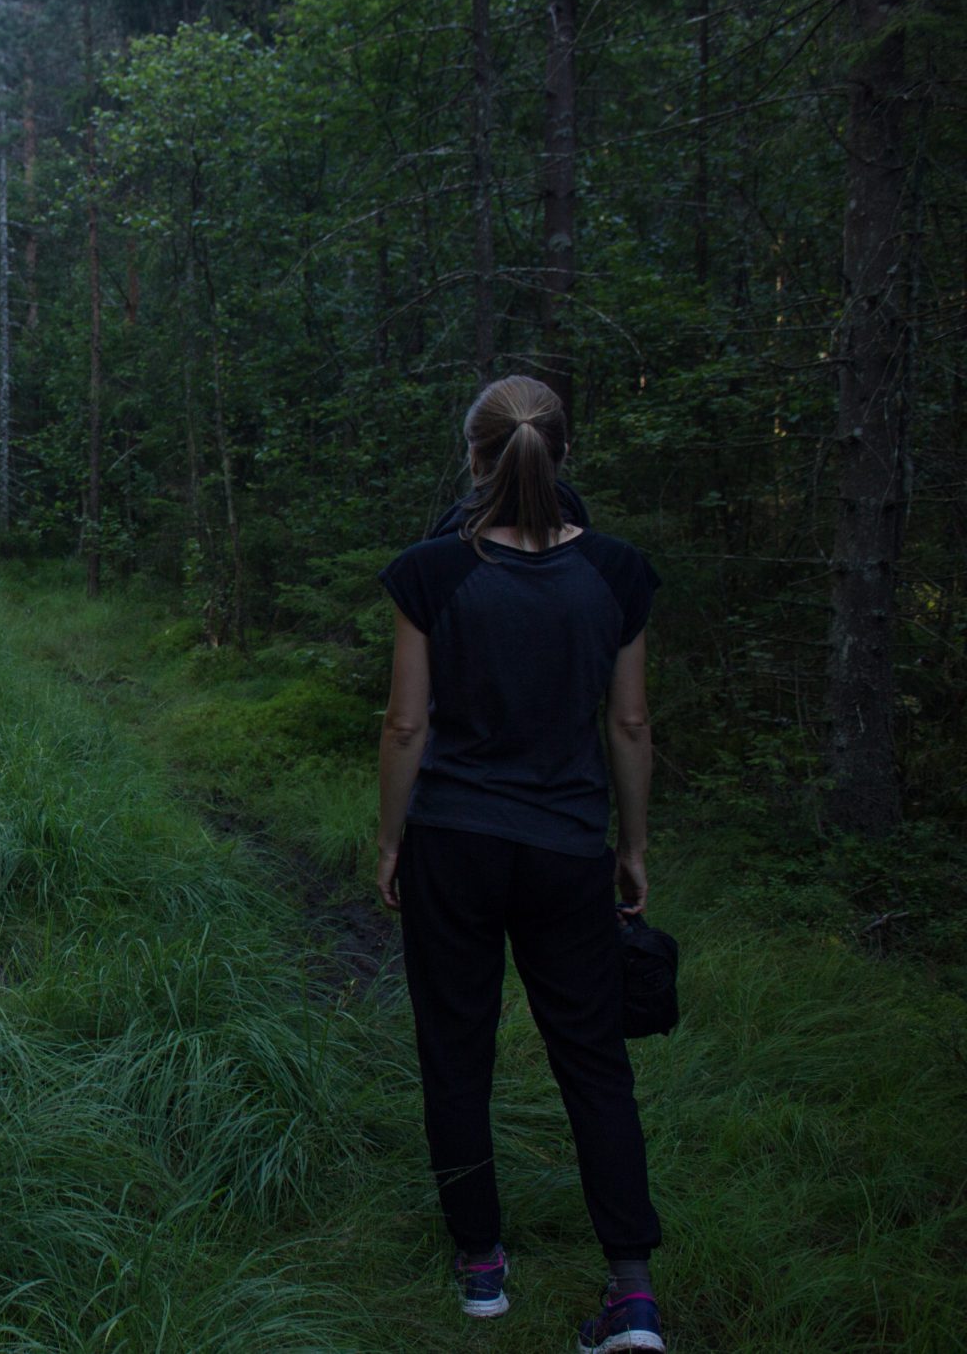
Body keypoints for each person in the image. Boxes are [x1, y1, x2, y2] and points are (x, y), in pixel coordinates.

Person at [374, 376, 666, 1353]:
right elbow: (626, 723)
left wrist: (388, 840)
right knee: (593, 1061)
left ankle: (480, 1273)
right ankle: (629, 1298)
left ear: (472, 457)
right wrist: (628, 846)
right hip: (563, 850)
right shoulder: (616, 575)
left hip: (452, 846)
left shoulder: (429, 572)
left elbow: (405, 725)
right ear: (562, 453)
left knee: (454, 1052)